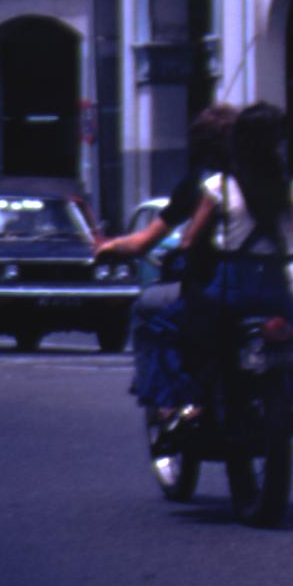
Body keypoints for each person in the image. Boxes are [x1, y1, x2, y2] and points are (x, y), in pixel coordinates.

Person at [166, 103, 293, 418]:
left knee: (178, 329)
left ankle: (192, 401)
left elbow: (189, 240)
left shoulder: (219, 187)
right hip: (275, 287)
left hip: (231, 288)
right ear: (279, 143)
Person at [95, 100, 237, 420]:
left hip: (209, 286)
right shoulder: (261, 180)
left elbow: (145, 241)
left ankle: (166, 400)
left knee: (149, 313)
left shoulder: (202, 186)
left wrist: (110, 246)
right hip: (260, 283)